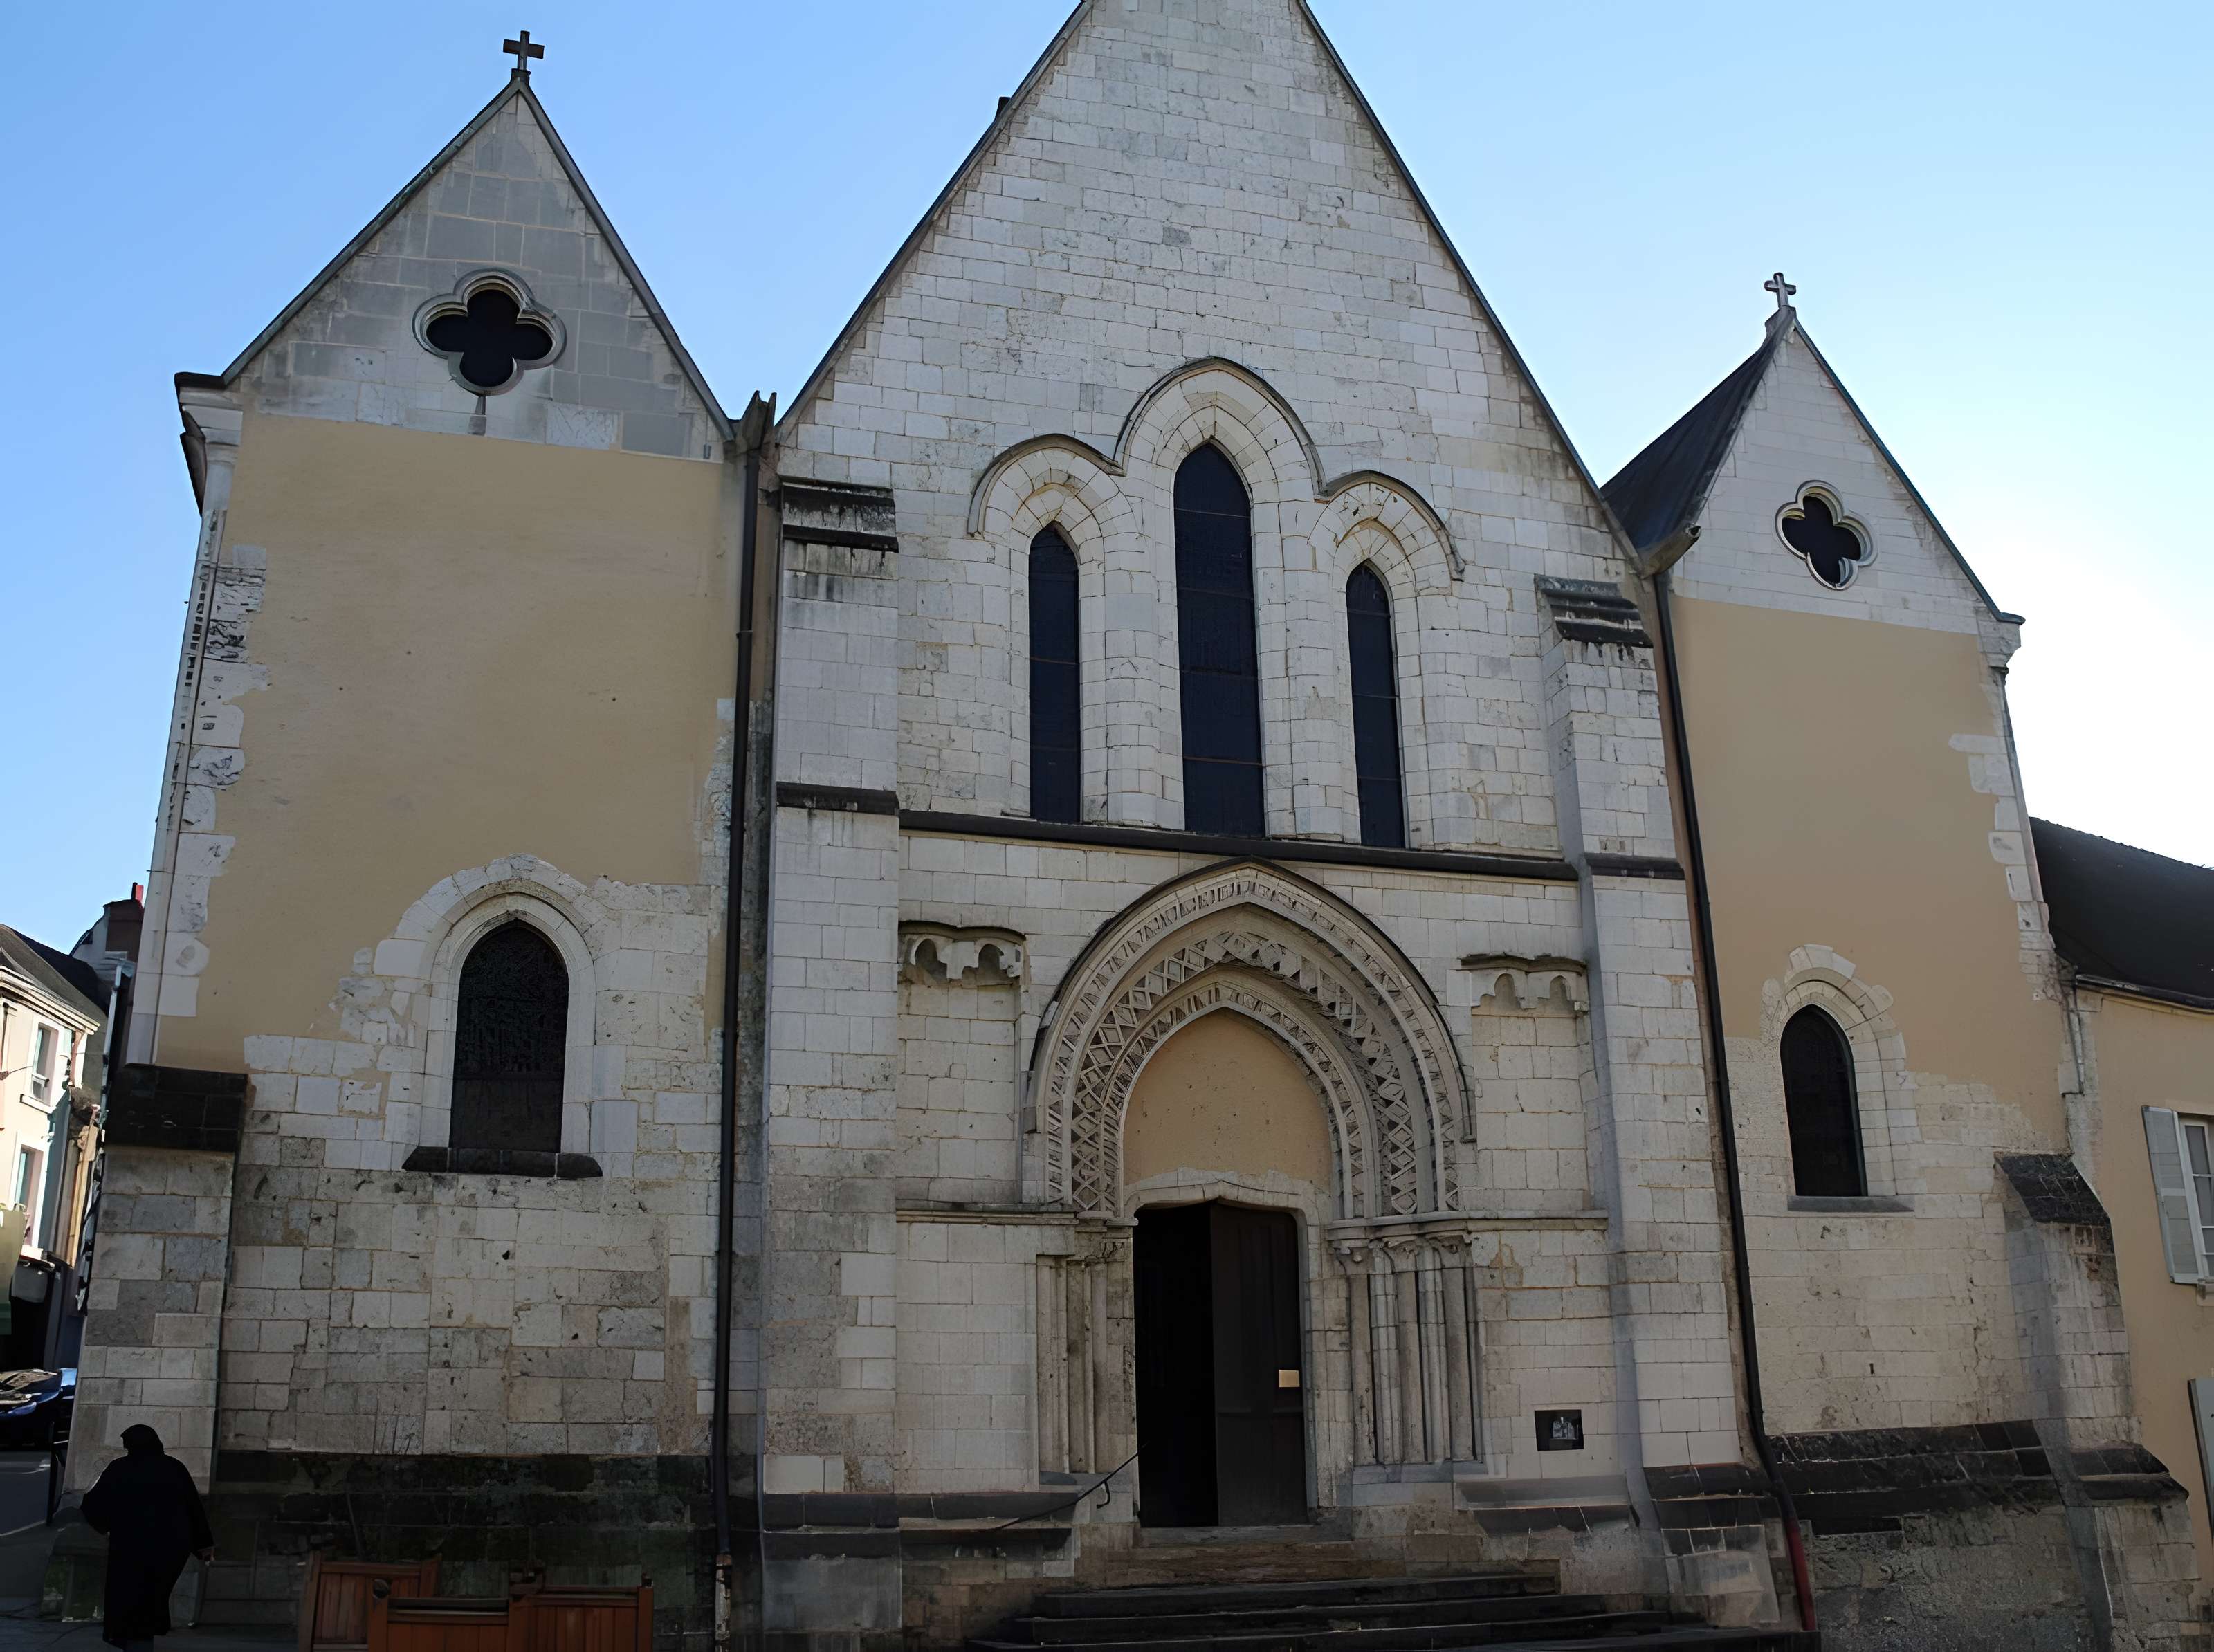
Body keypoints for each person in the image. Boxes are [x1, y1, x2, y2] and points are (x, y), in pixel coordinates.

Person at [79, 1425, 215, 1651]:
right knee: (154, 1593)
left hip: (130, 1546)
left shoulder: (120, 1469)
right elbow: (194, 1509)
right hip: (169, 1546)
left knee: (129, 1593)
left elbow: (93, 1506)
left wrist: (107, 1525)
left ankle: (133, 1638)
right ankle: (145, 1635)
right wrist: (203, 1545)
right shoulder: (174, 1468)